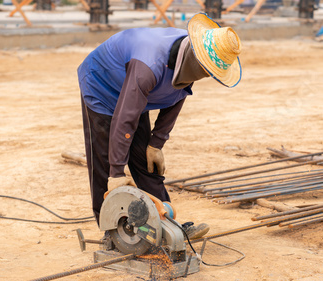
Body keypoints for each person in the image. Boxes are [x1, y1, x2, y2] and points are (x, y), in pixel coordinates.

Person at [77, 13, 242, 239]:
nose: (206, 76)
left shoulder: (192, 56)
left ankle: (166, 223)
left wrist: (156, 143)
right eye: (207, 71)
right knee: (106, 161)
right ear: (197, 58)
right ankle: (112, 232)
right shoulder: (149, 65)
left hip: (134, 88)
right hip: (102, 83)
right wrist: (116, 171)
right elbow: (125, 118)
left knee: (145, 161)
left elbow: (177, 94)